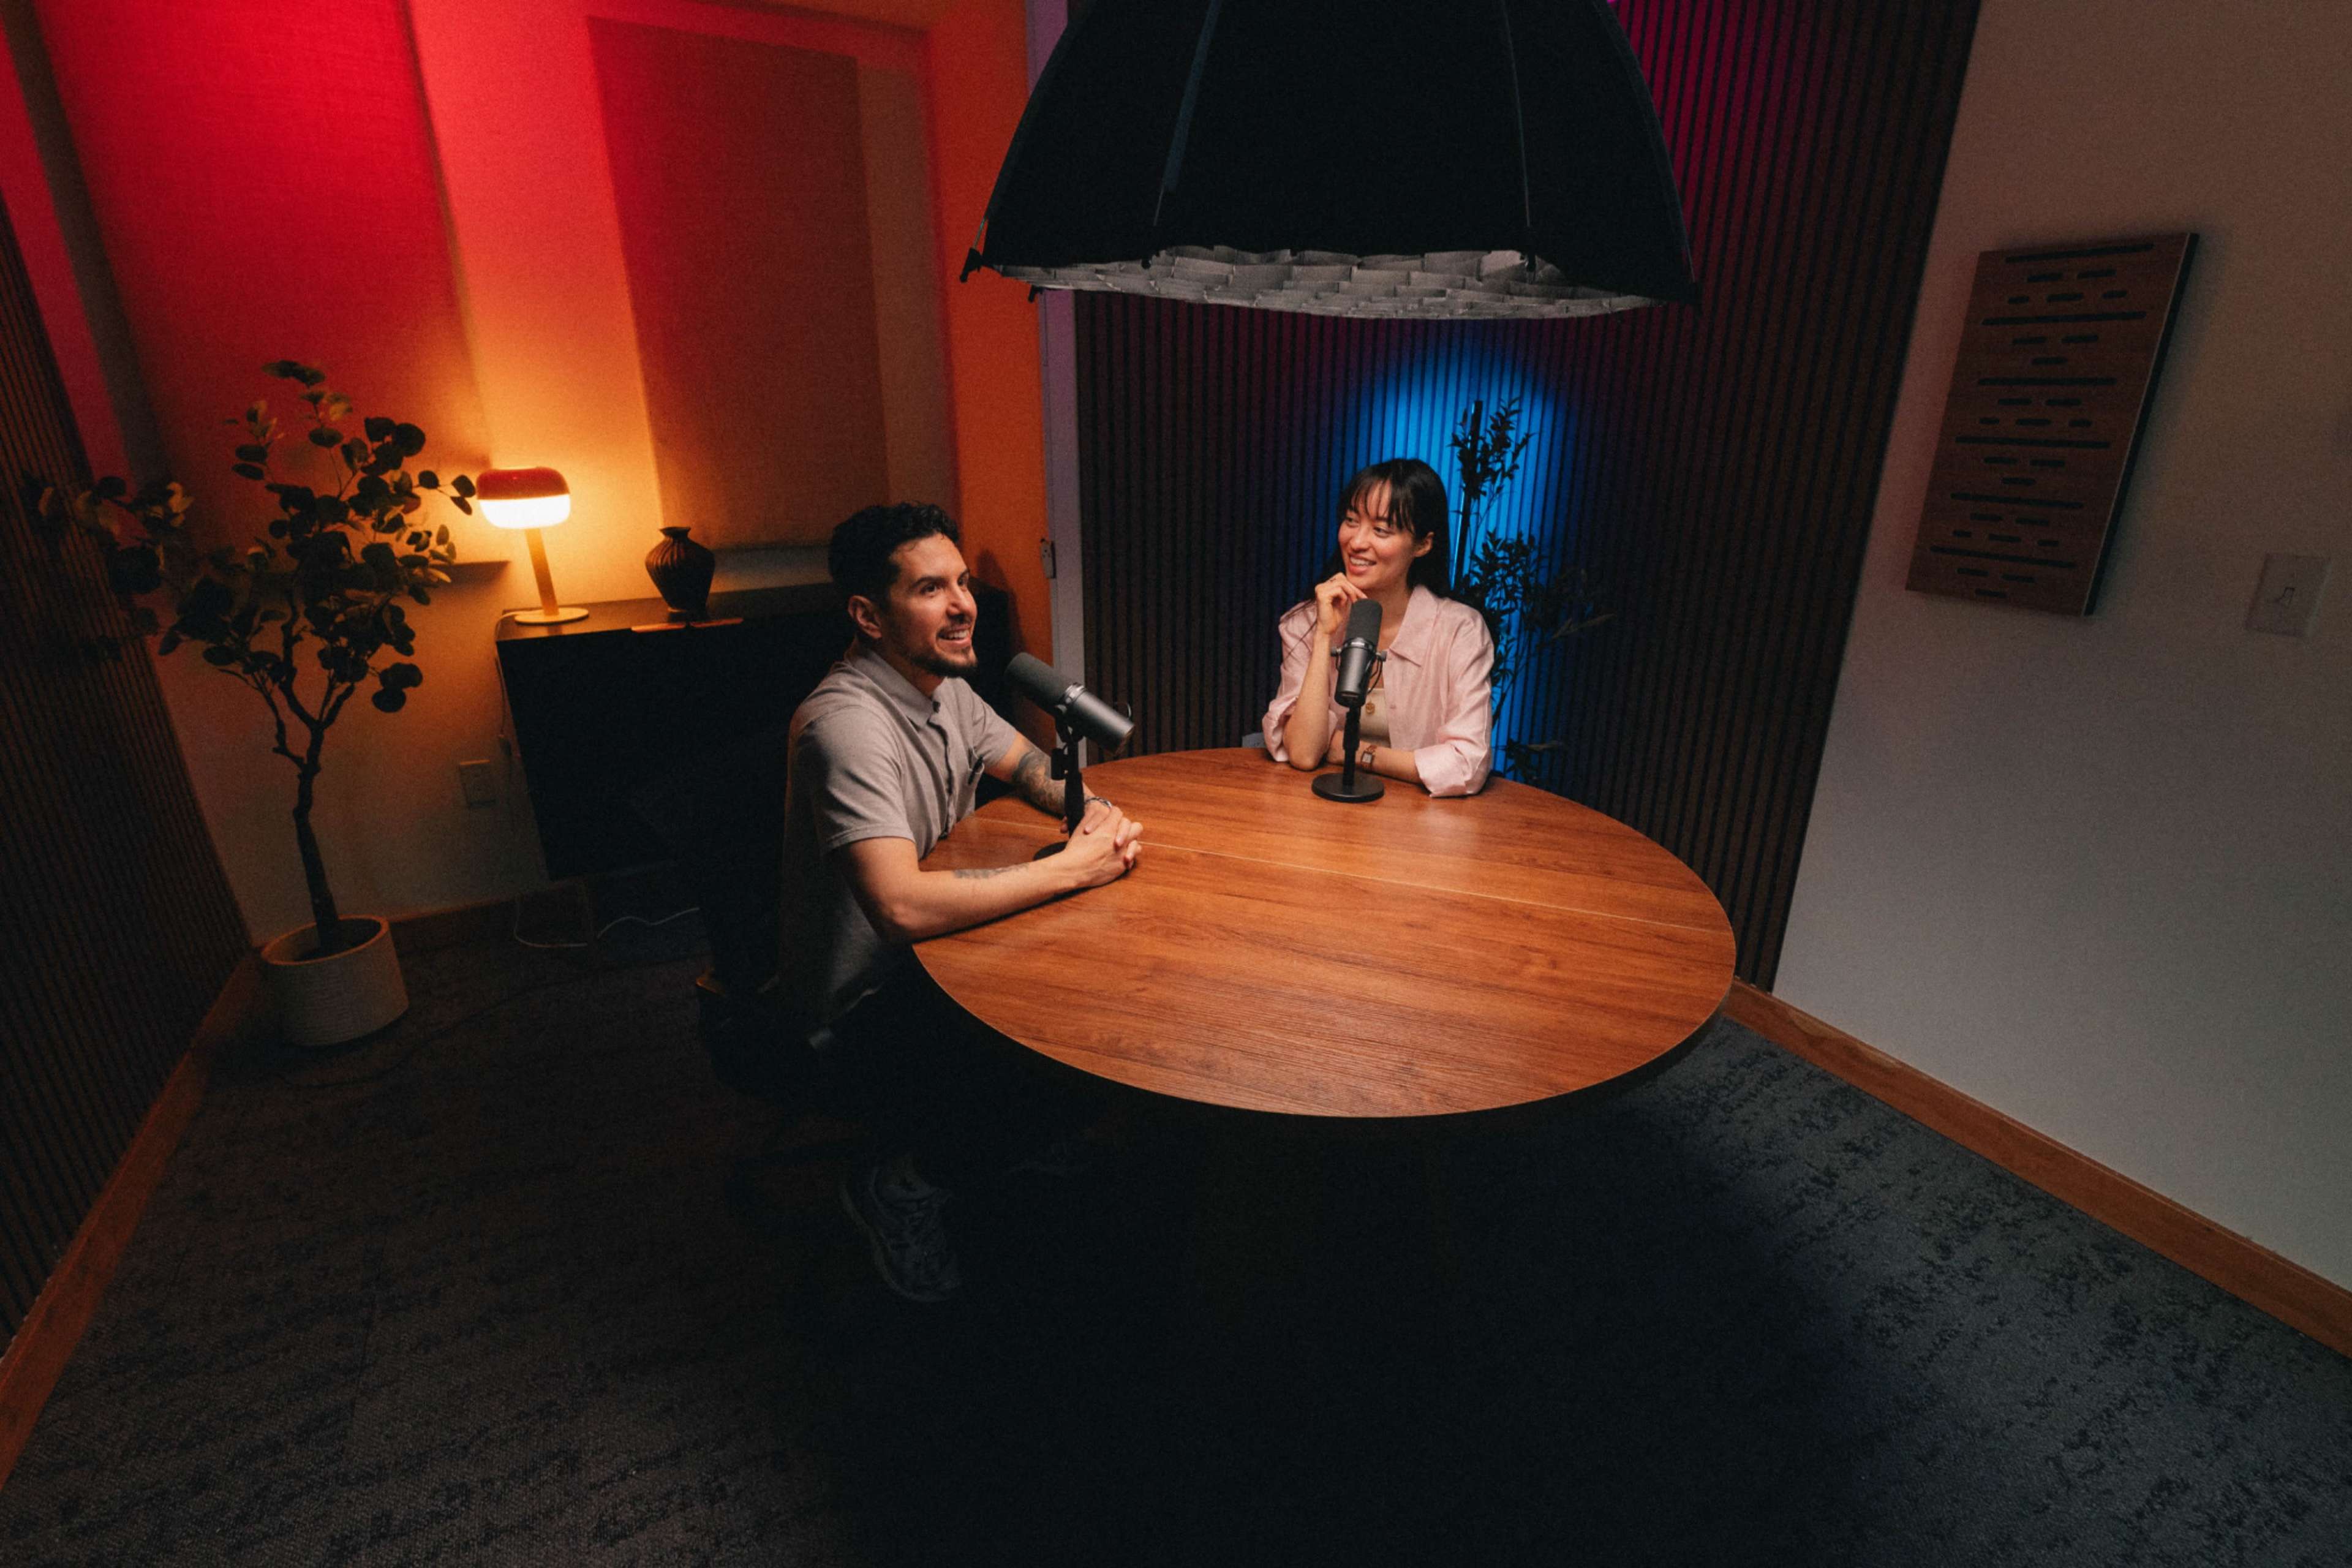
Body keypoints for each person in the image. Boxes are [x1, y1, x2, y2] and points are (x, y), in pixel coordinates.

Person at [776, 502, 1142, 1302]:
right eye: (931, 589)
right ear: (869, 616)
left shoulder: (943, 687)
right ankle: (900, 1186)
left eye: (963, 583)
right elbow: (901, 908)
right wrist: (1073, 870)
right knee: (1073, 1041)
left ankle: (1013, 1135)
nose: (963, 604)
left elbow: (1026, 766)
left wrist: (1091, 811)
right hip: (865, 1001)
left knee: (1102, 988)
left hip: (936, 958)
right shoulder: (848, 727)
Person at [1261, 458, 1494, 797]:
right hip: (1323, 819)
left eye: (1381, 530)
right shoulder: (1307, 622)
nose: (1356, 542)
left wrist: (1353, 752)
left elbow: (1466, 764)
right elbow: (1305, 753)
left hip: (1421, 828)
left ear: (1423, 544)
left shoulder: (1460, 631)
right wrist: (1325, 634)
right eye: (1351, 521)